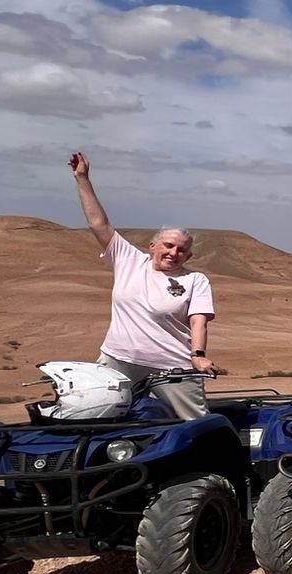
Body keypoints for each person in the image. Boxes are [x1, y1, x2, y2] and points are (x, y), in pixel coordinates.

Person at [68, 151, 216, 420]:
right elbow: (98, 223)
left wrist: (198, 356)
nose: (174, 253)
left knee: (198, 423)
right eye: (168, 245)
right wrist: (83, 179)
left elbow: (198, 322)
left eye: (182, 250)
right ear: (152, 247)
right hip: (118, 359)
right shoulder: (128, 260)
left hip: (170, 365)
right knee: (94, 415)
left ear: (189, 256)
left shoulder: (195, 280)